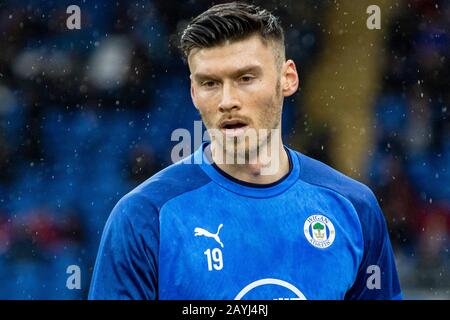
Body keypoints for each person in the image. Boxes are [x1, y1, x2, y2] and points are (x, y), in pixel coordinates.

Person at [88, 2, 402, 300]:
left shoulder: (355, 209)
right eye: (210, 83)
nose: (227, 100)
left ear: (287, 79)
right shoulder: (144, 217)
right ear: (194, 93)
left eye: (245, 78)